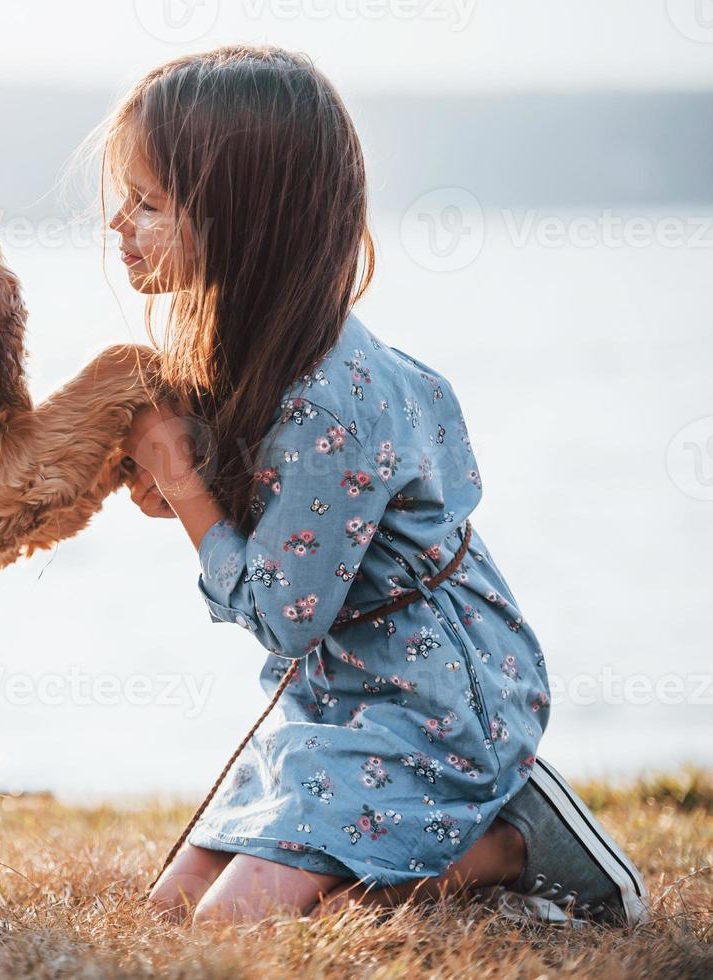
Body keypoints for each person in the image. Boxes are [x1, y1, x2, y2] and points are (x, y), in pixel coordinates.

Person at [106, 44, 647, 926]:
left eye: (149, 204)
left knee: (232, 928)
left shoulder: (331, 403)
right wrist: (191, 483)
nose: (119, 225)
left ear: (243, 220)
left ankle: (512, 842)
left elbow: (284, 613)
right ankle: (451, 844)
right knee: (172, 911)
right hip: (341, 698)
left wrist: (183, 482)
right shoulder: (258, 357)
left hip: (434, 710)